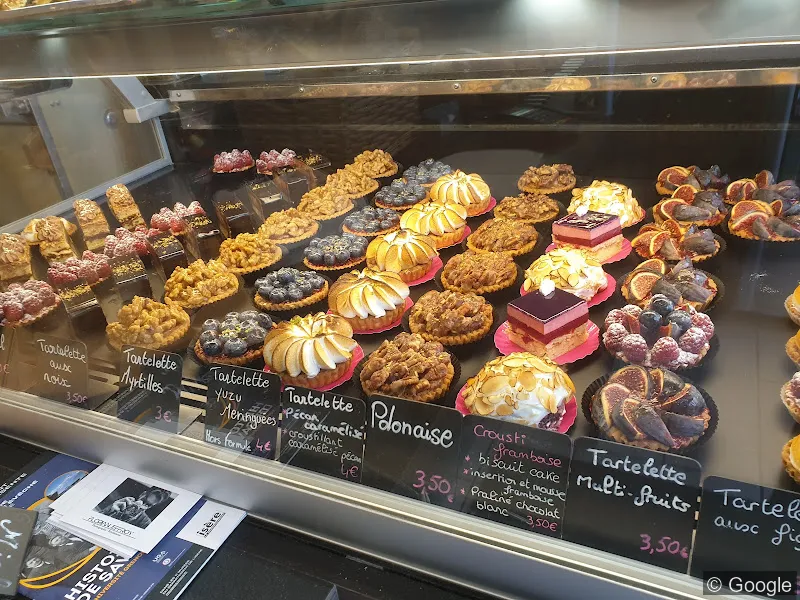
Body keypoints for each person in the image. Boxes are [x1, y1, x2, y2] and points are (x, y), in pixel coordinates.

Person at [99, 487, 171, 528]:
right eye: (143, 500)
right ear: (143, 494)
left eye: (147, 505)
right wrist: (111, 511)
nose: (140, 505)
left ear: (153, 506)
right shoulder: (120, 503)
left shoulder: (146, 523)